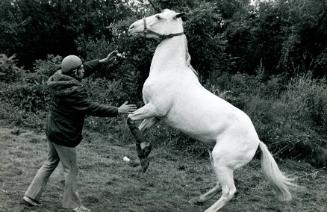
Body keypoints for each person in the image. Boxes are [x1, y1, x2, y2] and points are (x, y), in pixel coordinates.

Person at [23, 51, 137, 212]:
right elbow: (90, 107)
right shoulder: (74, 91)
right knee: (71, 169)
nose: (84, 70)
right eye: (81, 68)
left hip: (53, 129)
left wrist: (101, 61)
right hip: (63, 133)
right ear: (75, 72)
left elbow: (81, 70)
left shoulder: (59, 77)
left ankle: (30, 195)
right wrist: (117, 110)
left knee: (50, 162)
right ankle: (74, 205)